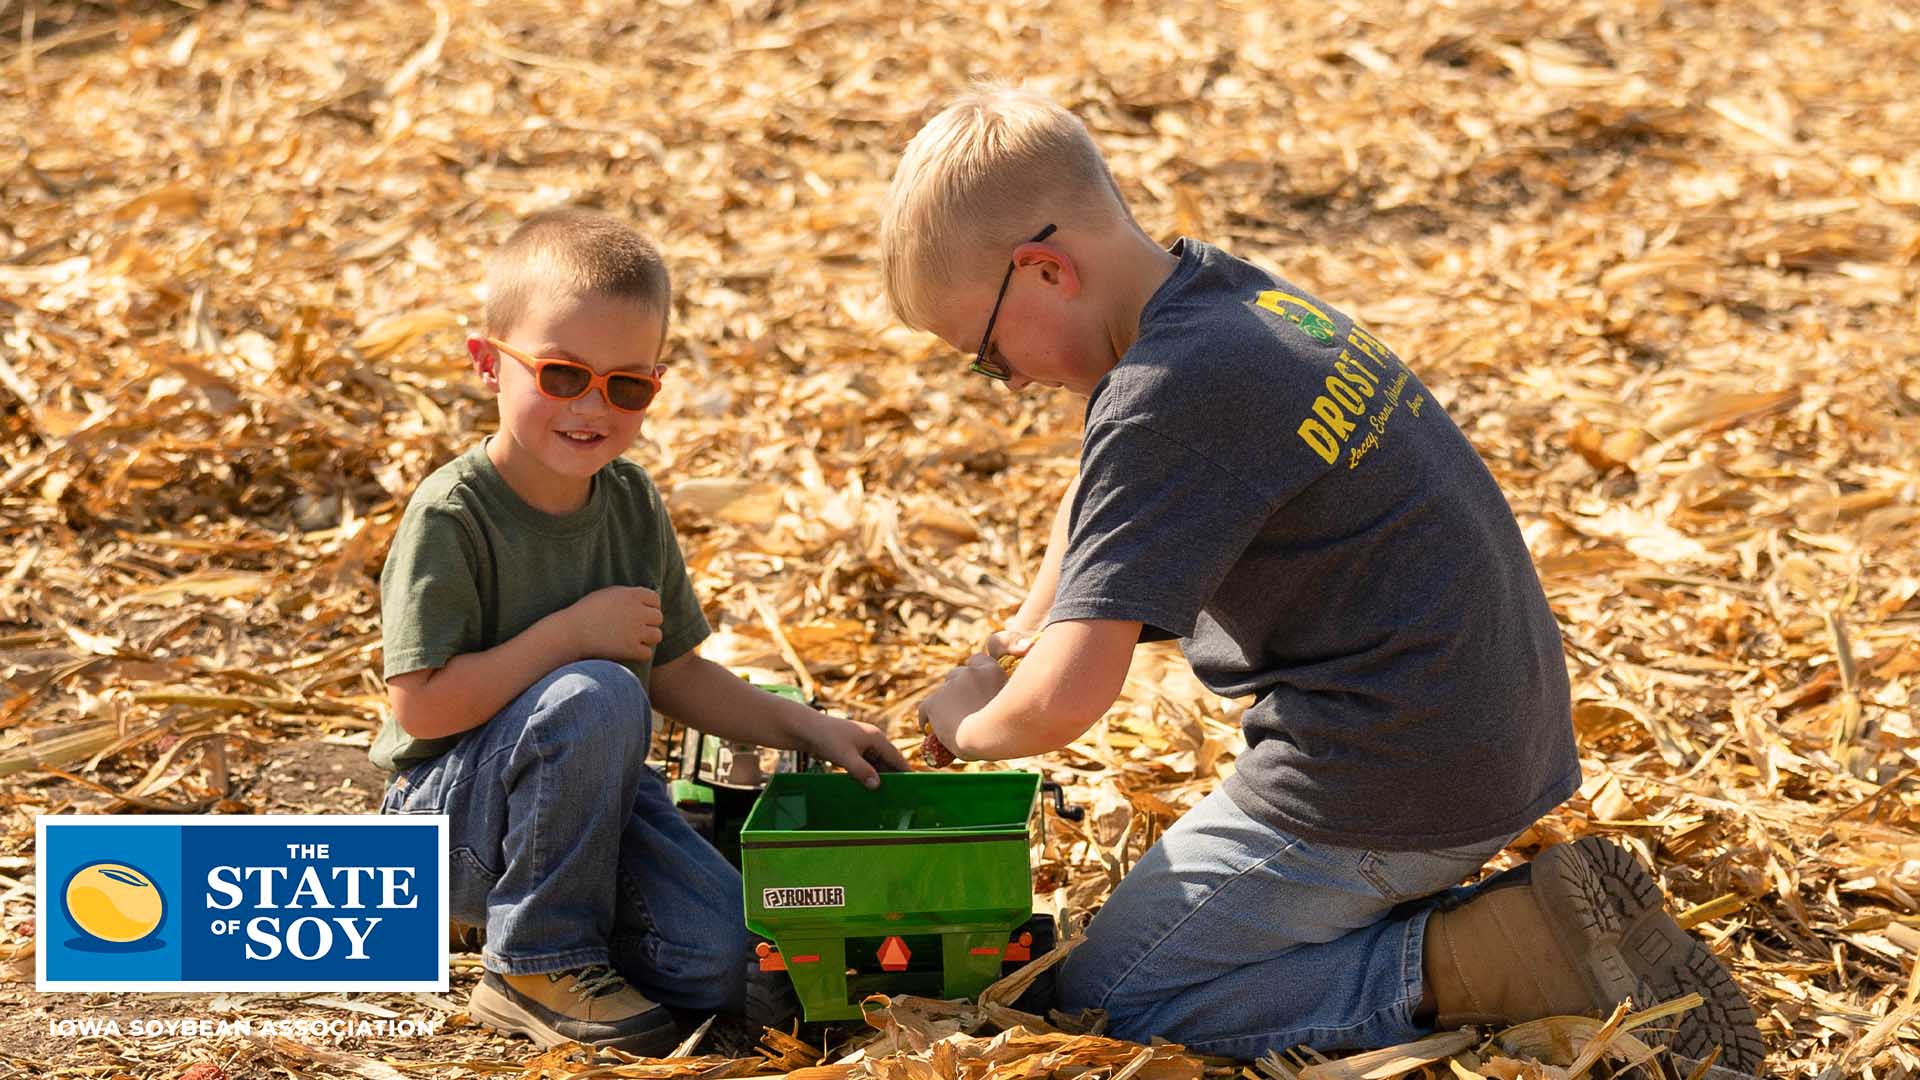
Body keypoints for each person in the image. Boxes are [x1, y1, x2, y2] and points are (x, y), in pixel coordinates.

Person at [885, 89, 1763, 1072]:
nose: (1000, 380)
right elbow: (1105, 485)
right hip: (1484, 728)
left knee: (1115, 994)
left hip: (1391, 769)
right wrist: (1017, 629)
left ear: (1045, 270)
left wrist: (967, 722)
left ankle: (1495, 957)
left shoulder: (1166, 395)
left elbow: (1062, 705)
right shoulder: (1224, 302)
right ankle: (1440, 914)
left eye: (984, 356)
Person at [372, 208, 908, 1052]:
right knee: (596, 691)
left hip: (591, 807)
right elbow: (422, 710)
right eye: (561, 374)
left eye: (626, 385)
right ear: (488, 362)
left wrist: (810, 725)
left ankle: (570, 932)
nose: (593, 406)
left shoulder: (628, 501)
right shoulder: (453, 514)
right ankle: (532, 959)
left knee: (731, 960)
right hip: (447, 824)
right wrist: (571, 634)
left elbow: (676, 674)